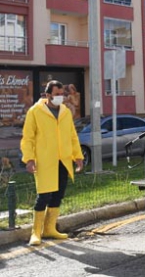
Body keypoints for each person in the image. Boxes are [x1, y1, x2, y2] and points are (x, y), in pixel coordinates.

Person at [20, 80, 84, 246]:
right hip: (44, 161)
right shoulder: (35, 111)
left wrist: (78, 156)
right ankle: (36, 232)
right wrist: (29, 159)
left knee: (58, 195)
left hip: (63, 160)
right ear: (47, 95)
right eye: (57, 95)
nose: (60, 98)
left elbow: (72, 136)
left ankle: (49, 229)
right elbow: (28, 138)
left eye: (62, 94)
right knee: (43, 196)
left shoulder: (66, 112)